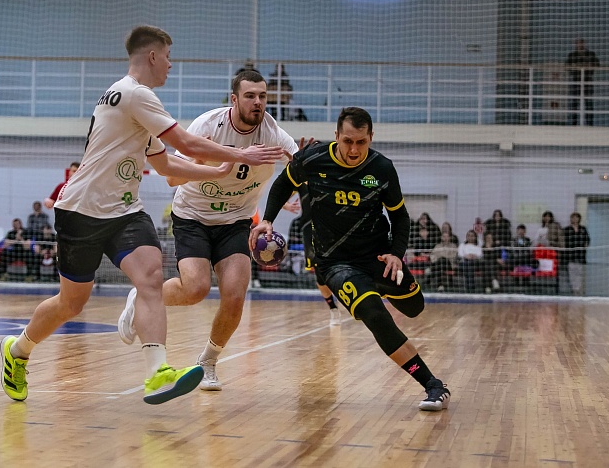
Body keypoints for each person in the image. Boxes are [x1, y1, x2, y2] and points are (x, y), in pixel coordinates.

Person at [0, 25, 283, 405]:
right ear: (152, 56)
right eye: (167, 56)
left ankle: (157, 371)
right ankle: (18, 350)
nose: (170, 64)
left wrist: (216, 173)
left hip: (125, 211)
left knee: (151, 278)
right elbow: (184, 143)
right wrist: (240, 155)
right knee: (71, 303)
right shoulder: (135, 94)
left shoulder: (136, 103)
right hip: (82, 211)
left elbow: (165, 164)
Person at [249, 107, 451, 411]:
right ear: (336, 136)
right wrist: (267, 220)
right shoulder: (312, 159)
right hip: (335, 263)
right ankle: (433, 385)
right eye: (347, 141)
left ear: (371, 137)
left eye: (361, 142)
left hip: (377, 255)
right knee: (374, 315)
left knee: (415, 308)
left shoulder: (381, 168)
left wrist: (396, 255)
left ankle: (376, 286)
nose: (354, 150)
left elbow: (400, 216)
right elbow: (282, 184)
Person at [117, 69, 299, 393]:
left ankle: (208, 361)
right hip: (193, 216)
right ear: (234, 99)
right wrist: (206, 164)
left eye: (262, 96)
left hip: (237, 220)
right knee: (196, 289)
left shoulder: (274, 135)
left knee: (235, 296)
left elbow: (300, 171)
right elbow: (172, 178)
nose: (258, 102)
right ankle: (142, 296)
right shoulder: (207, 126)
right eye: (250, 96)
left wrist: (286, 196)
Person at [289, 185, 342, 326]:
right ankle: (333, 308)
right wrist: (286, 205)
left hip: (333, 227)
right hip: (310, 230)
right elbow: (280, 194)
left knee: (339, 266)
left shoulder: (330, 177)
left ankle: (346, 296)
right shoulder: (300, 179)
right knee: (320, 275)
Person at [566, 38, 599, 126]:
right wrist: (579, 66)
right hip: (576, 81)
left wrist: (583, 66)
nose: (579, 45)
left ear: (584, 44)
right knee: (575, 103)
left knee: (589, 103)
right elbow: (568, 66)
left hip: (588, 81)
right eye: (577, 43)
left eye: (581, 43)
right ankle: (574, 124)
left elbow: (597, 64)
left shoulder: (591, 54)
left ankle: (590, 124)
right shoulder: (572, 55)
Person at [564, 212, 590, 296]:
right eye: (573, 217)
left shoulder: (583, 229)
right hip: (570, 255)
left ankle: (579, 290)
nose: (575, 219)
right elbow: (564, 242)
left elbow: (587, 239)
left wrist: (585, 245)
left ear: (579, 219)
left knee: (580, 273)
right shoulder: (567, 229)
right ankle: (574, 290)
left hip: (580, 255)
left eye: (576, 217)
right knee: (572, 274)